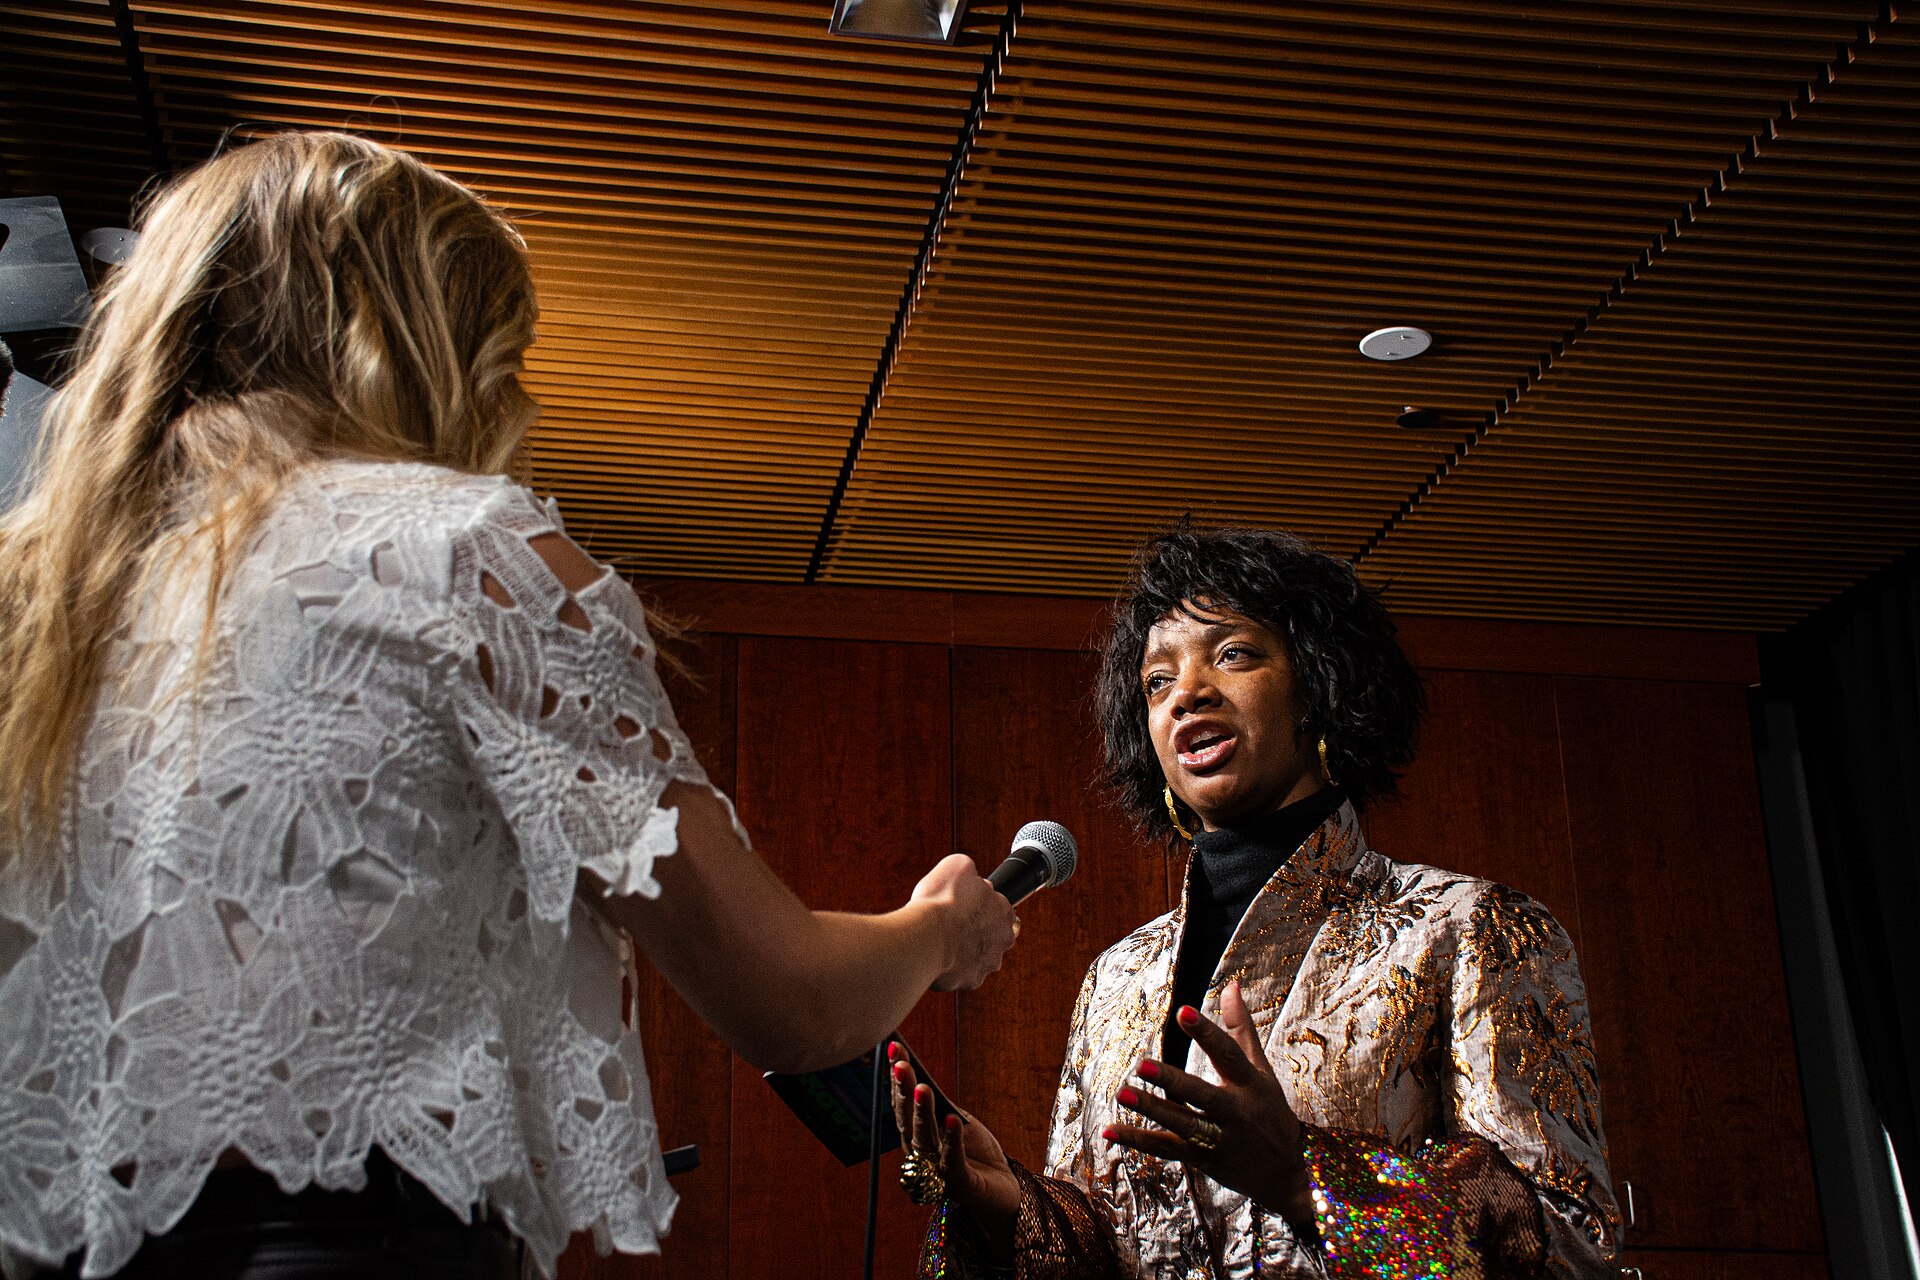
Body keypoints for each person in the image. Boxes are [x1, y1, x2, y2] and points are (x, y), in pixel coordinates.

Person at [0, 132, 1016, 1280]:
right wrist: (938, 928)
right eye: (500, 354)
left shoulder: (35, 591)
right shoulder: (456, 554)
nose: (514, 400)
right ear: (409, 346)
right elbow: (788, 999)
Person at [892, 527, 1618, 1278]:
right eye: (1157, 682)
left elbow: (1569, 1246)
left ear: (1322, 685)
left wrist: (1308, 1179)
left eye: (1233, 654)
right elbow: (1109, 1249)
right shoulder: (1116, 977)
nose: (1188, 695)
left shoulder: (1472, 928)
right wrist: (1008, 1204)